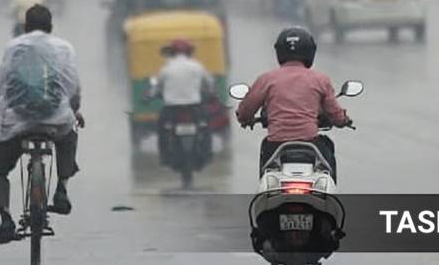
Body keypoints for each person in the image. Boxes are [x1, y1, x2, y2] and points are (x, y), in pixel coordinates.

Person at [0, 5, 83, 245]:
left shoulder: (13, 47)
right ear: (51, 25)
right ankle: (61, 188)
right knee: (69, 137)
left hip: (16, 123)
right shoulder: (63, 48)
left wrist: (4, 108)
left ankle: (6, 218)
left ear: (26, 26)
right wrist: (74, 109)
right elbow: (73, 86)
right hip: (56, 120)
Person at [235, 28, 351, 182]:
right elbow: (335, 115)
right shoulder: (320, 79)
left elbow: (245, 111)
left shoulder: (266, 79)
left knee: (267, 173)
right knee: (327, 153)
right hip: (311, 142)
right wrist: (344, 120)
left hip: (275, 145)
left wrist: (246, 120)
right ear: (310, 51)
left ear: (279, 52)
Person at [149, 39, 214, 165]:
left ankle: (164, 157)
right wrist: (210, 94)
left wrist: (150, 96)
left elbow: (157, 88)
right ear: (189, 52)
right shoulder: (197, 66)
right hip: (194, 106)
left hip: (171, 108)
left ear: (172, 53)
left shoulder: (166, 68)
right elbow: (209, 84)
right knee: (207, 127)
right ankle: (207, 153)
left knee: (162, 130)